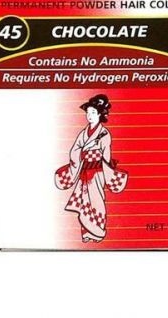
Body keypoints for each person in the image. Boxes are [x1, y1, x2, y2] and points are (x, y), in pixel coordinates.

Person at [55, 94, 128, 242]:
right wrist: (82, 154)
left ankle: (98, 232)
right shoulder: (83, 133)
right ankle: (87, 233)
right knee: (84, 202)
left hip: (97, 172)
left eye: (93, 112)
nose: (89, 116)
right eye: (88, 113)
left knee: (96, 202)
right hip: (83, 171)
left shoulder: (104, 134)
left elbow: (106, 156)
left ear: (100, 114)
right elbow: (74, 150)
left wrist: (104, 167)